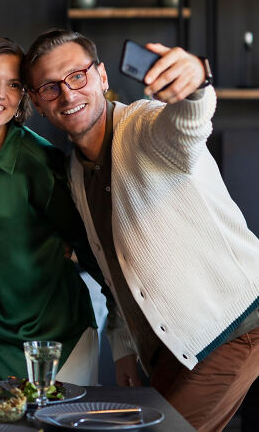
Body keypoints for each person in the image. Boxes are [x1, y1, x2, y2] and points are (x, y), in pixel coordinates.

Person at [23, 28, 259, 431]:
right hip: (172, 348)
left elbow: (186, 127)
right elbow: (114, 273)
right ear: (37, 103)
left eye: (77, 76)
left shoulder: (144, 126)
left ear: (101, 77)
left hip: (232, 328)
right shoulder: (77, 172)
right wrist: (123, 346)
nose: (67, 94)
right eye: (49, 87)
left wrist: (196, 82)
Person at [0, 37, 106, 385]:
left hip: (54, 342)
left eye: (13, 84)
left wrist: (124, 337)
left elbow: (91, 247)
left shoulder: (40, 162)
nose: (0, 94)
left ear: (23, 97)